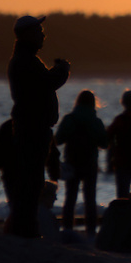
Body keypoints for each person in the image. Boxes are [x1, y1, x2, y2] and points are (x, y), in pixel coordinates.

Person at [5, 14, 70, 238]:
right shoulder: (26, 61)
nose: (43, 34)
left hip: (32, 127)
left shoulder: (25, 59)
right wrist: (62, 70)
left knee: (30, 180)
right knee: (30, 182)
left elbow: (43, 84)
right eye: (38, 31)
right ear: (27, 34)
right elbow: (47, 84)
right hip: (32, 128)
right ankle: (25, 230)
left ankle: (24, 228)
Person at [55, 89, 108, 236]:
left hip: (72, 162)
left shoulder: (69, 119)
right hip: (90, 163)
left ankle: (67, 229)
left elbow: (58, 140)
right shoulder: (96, 121)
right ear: (93, 103)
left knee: (70, 197)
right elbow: (104, 143)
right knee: (90, 198)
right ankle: (91, 231)